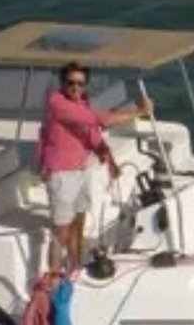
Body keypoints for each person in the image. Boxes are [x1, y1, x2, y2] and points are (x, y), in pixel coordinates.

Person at [38, 62, 152, 274]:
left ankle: (74, 268)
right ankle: (53, 277)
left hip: (81, 171)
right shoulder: (57, 103)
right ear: (62, 83)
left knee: (78, 225)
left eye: (80, 84)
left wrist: (108, 158)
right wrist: (138, 112)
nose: (75, 88)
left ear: (85, 85)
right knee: (61, 231)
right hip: (61, 174)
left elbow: (91, 134)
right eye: (70, 83)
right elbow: (97, 120)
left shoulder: (82, 102)